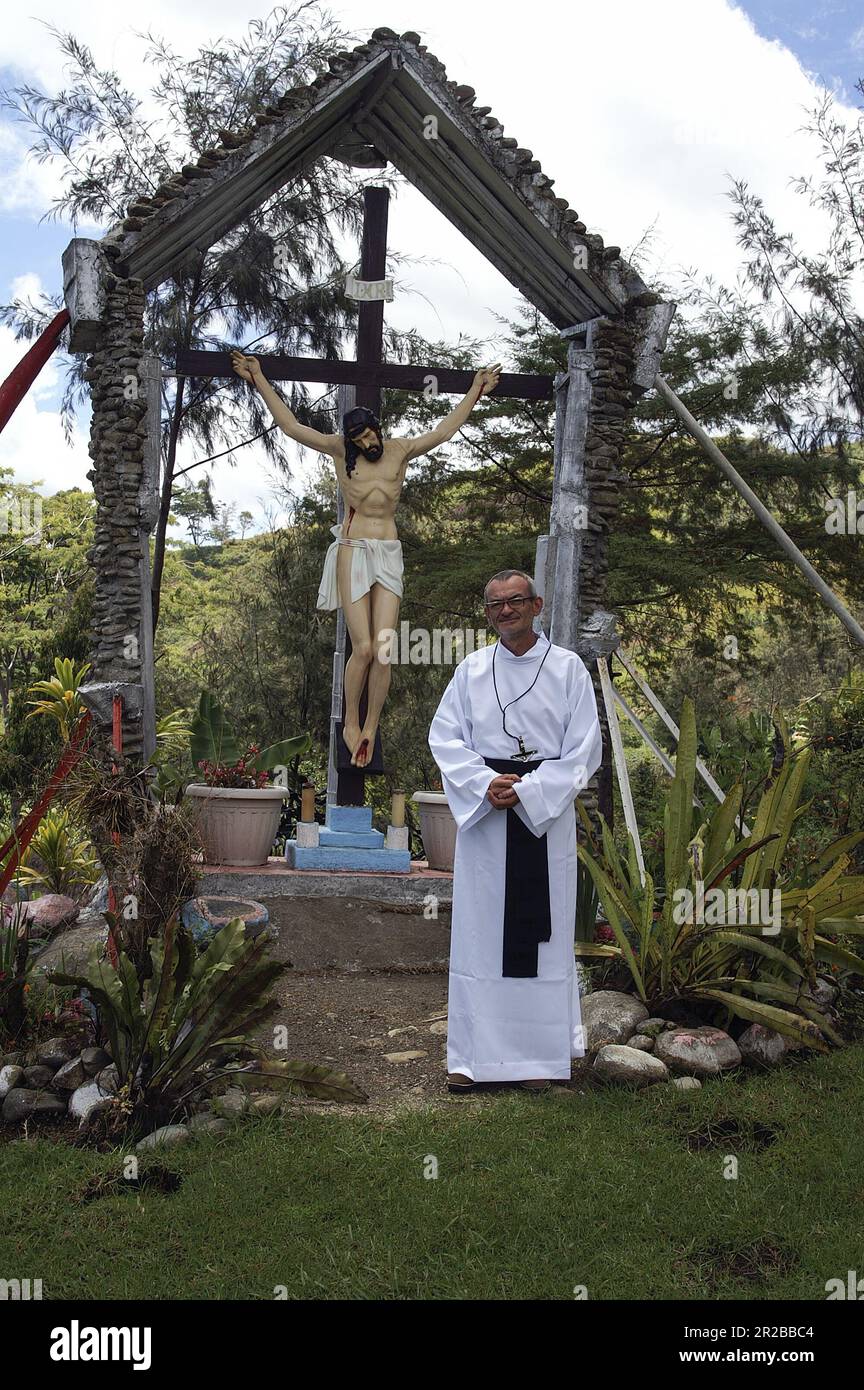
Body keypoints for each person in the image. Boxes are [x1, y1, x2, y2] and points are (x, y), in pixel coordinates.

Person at [231, 349, 500, 766]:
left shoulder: (400, 449)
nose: (365, 444)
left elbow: (445, 431)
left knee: (385, 647)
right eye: (358, 440)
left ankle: (371, 725)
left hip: (388, 551)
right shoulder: (341, 452)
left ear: (377, 429)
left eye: (368, 436)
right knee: (363, 648)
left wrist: (476, 390)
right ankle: (348, 723)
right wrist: (259, 377)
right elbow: (291, 426)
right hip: (353, 551)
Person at [428, 570, 602, 1091]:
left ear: (537, 605)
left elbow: (584, 749)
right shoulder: (472, 670)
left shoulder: (568, 669)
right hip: (487, 819)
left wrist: (528, 790)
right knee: (480, 938)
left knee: (540, 944)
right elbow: (445, 737)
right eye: (495, 604)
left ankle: (536, 1062)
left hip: (541, 821)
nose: (505, 611)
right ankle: (471, 1059)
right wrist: (484, 783)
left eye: (515, 601)